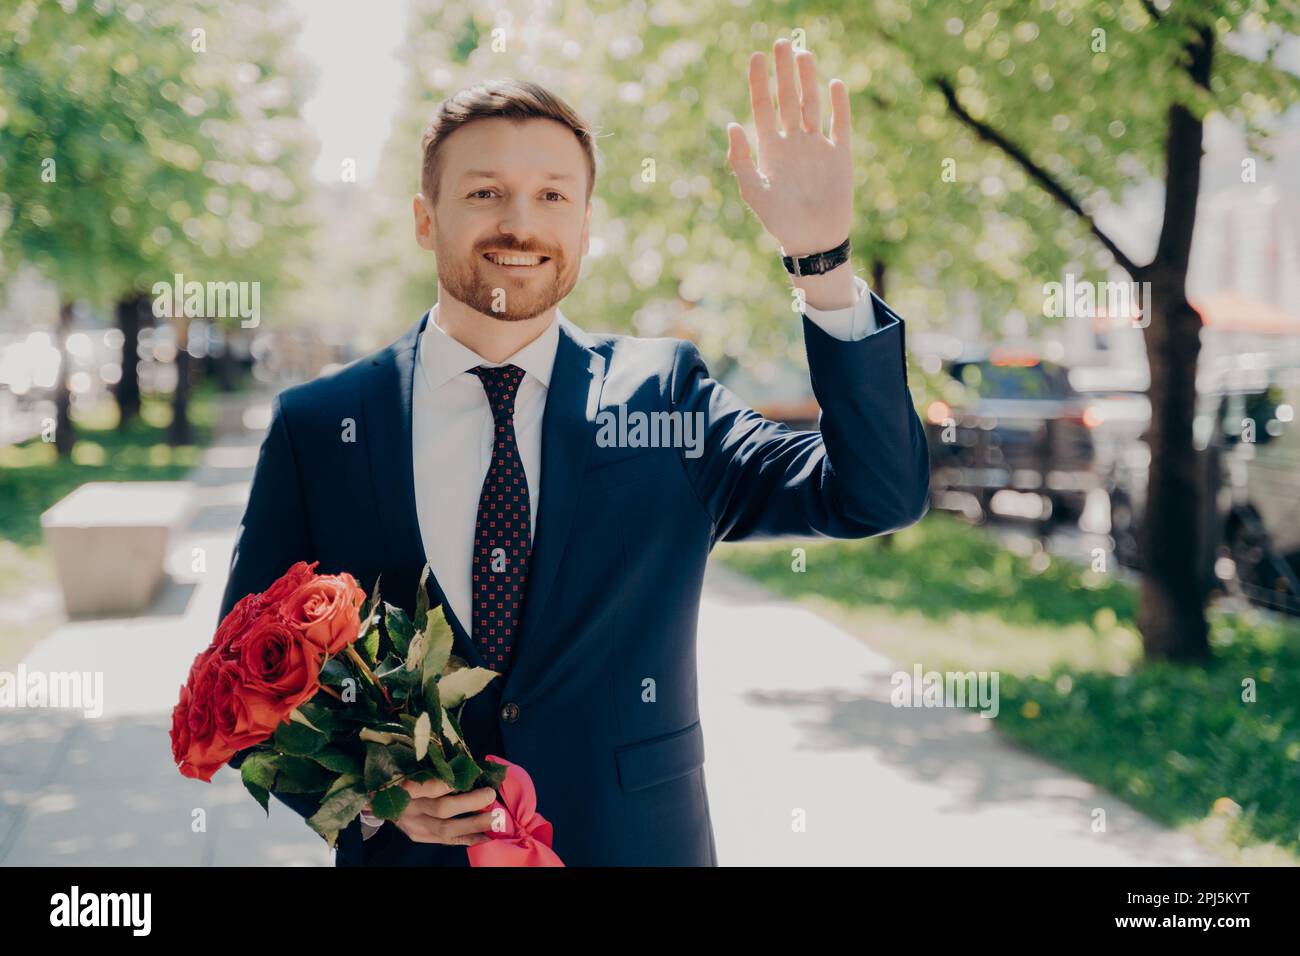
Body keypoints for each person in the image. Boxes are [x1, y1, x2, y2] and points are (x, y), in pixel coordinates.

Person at [219, 38, 930, 866]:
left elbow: (876, 494)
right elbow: (235, 691)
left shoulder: (665, 396)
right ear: (425, 218)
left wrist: (823, 267)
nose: (519, 223)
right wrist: (369, 800)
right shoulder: (322, 425)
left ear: (585, 226)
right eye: (486, 192)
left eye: (551, 195)